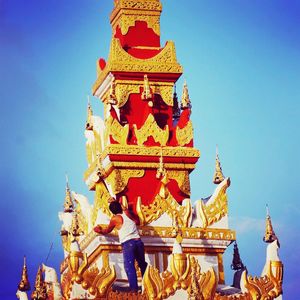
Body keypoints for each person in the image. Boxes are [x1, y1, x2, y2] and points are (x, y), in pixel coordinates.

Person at [94, 201, 148, 292]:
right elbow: (126, 210)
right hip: (138, 242)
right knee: (142, 264)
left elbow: (107, 230)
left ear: (111, 211)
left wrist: (99, 230)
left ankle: (134, 290)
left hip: (128, 243)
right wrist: (116, 202)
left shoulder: (115, 219)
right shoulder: (127, 213)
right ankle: (147, 284)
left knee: (129, 266)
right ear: (120, 207)